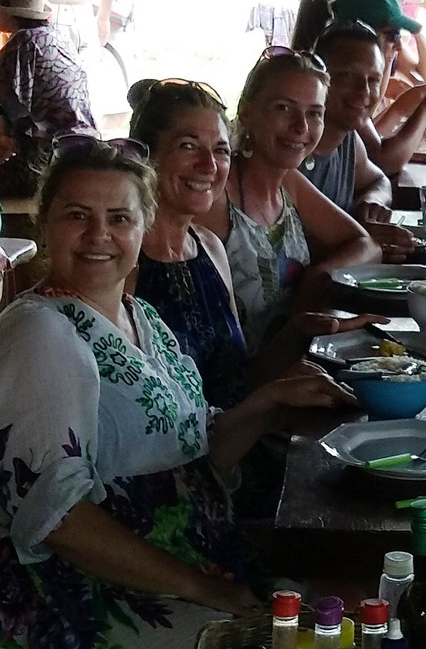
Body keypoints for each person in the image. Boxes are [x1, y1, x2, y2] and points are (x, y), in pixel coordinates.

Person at [0, 139, 360, 648]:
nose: (98, 234)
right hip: (100, 592)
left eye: (120, 218)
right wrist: (200, 587)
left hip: (201, 556)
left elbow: (193, 450)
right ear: (45, 225)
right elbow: (58, 518)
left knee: (373, 608)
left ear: (144, 227)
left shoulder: (141, 318)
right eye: (77, 215)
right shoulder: (42, 332)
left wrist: (268, 404)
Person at [128, 78, 385, 408]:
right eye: (188, 146)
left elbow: (240, 377)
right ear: (147, 156)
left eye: (220, 150)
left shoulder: (207, 247)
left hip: (233, 443)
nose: (209, 166)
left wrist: (297, 332)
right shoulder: (127, 260)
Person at [199, 48, 381, 353]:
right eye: (284, 108)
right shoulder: (218, 194)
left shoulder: (288, 182)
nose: (302, 127)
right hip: (247, 382)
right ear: (246, 112)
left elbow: (367, 246)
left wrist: (317, 277)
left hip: (295, 364)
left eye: (314, 113)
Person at [307, 20, 426, 262]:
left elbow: (379, 180)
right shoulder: (294, 149)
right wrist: (363, 237)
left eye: (373, 80)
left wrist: (371, 203)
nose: (364, 91)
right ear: (320, 78)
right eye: (346, 76)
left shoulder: (348, 140)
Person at [328, 0, 426, 173]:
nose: (398, 47)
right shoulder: (340, 81)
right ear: (364, 32)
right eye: (392, 36)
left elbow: (368, 142)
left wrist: (401, 112)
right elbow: (382, 161)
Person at [0, 0, 95, 197]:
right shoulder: (55, 37)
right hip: (83, 148)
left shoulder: (22, 45)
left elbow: (11, 111)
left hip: (50, 160)